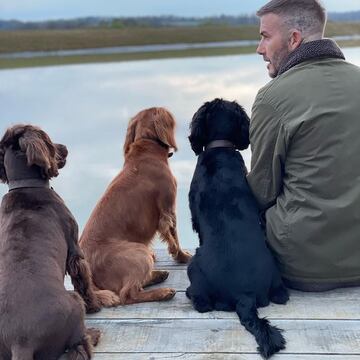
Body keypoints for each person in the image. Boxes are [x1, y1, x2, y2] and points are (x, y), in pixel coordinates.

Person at [247, 0, 360, 291]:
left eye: (265, 37)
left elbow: (261, 192)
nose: (260, 49)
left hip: (302, 267)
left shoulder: (272, 99)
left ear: (294, 38)